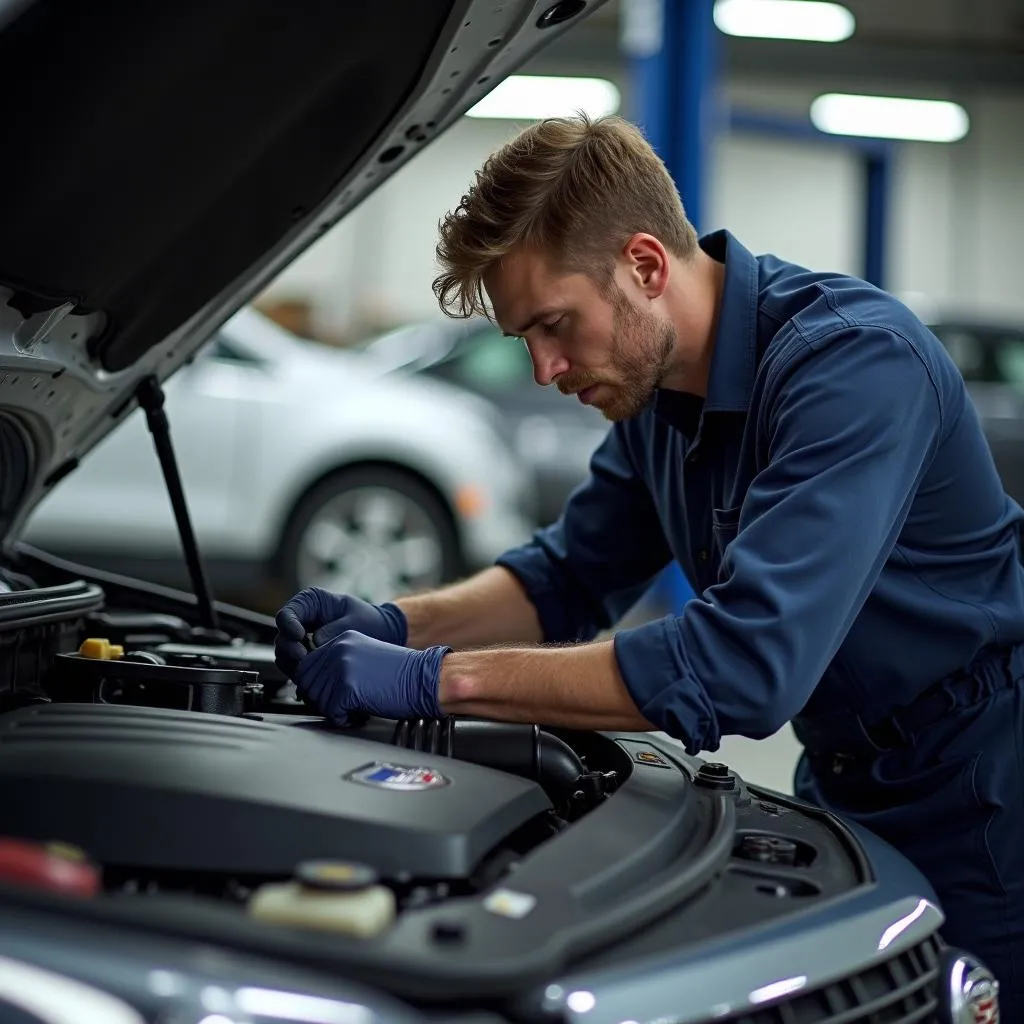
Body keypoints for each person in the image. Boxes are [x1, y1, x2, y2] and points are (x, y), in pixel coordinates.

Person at [275, 113, 1023, 1008]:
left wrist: (431, 679)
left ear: (645, 265)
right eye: (525, 340)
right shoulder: (655, 397)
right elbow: (566, 576)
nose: (545, 367)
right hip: (845, 783)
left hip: (986, 793)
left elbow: (741, 668)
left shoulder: (855, 369)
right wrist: (396, 623)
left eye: (556, 324)